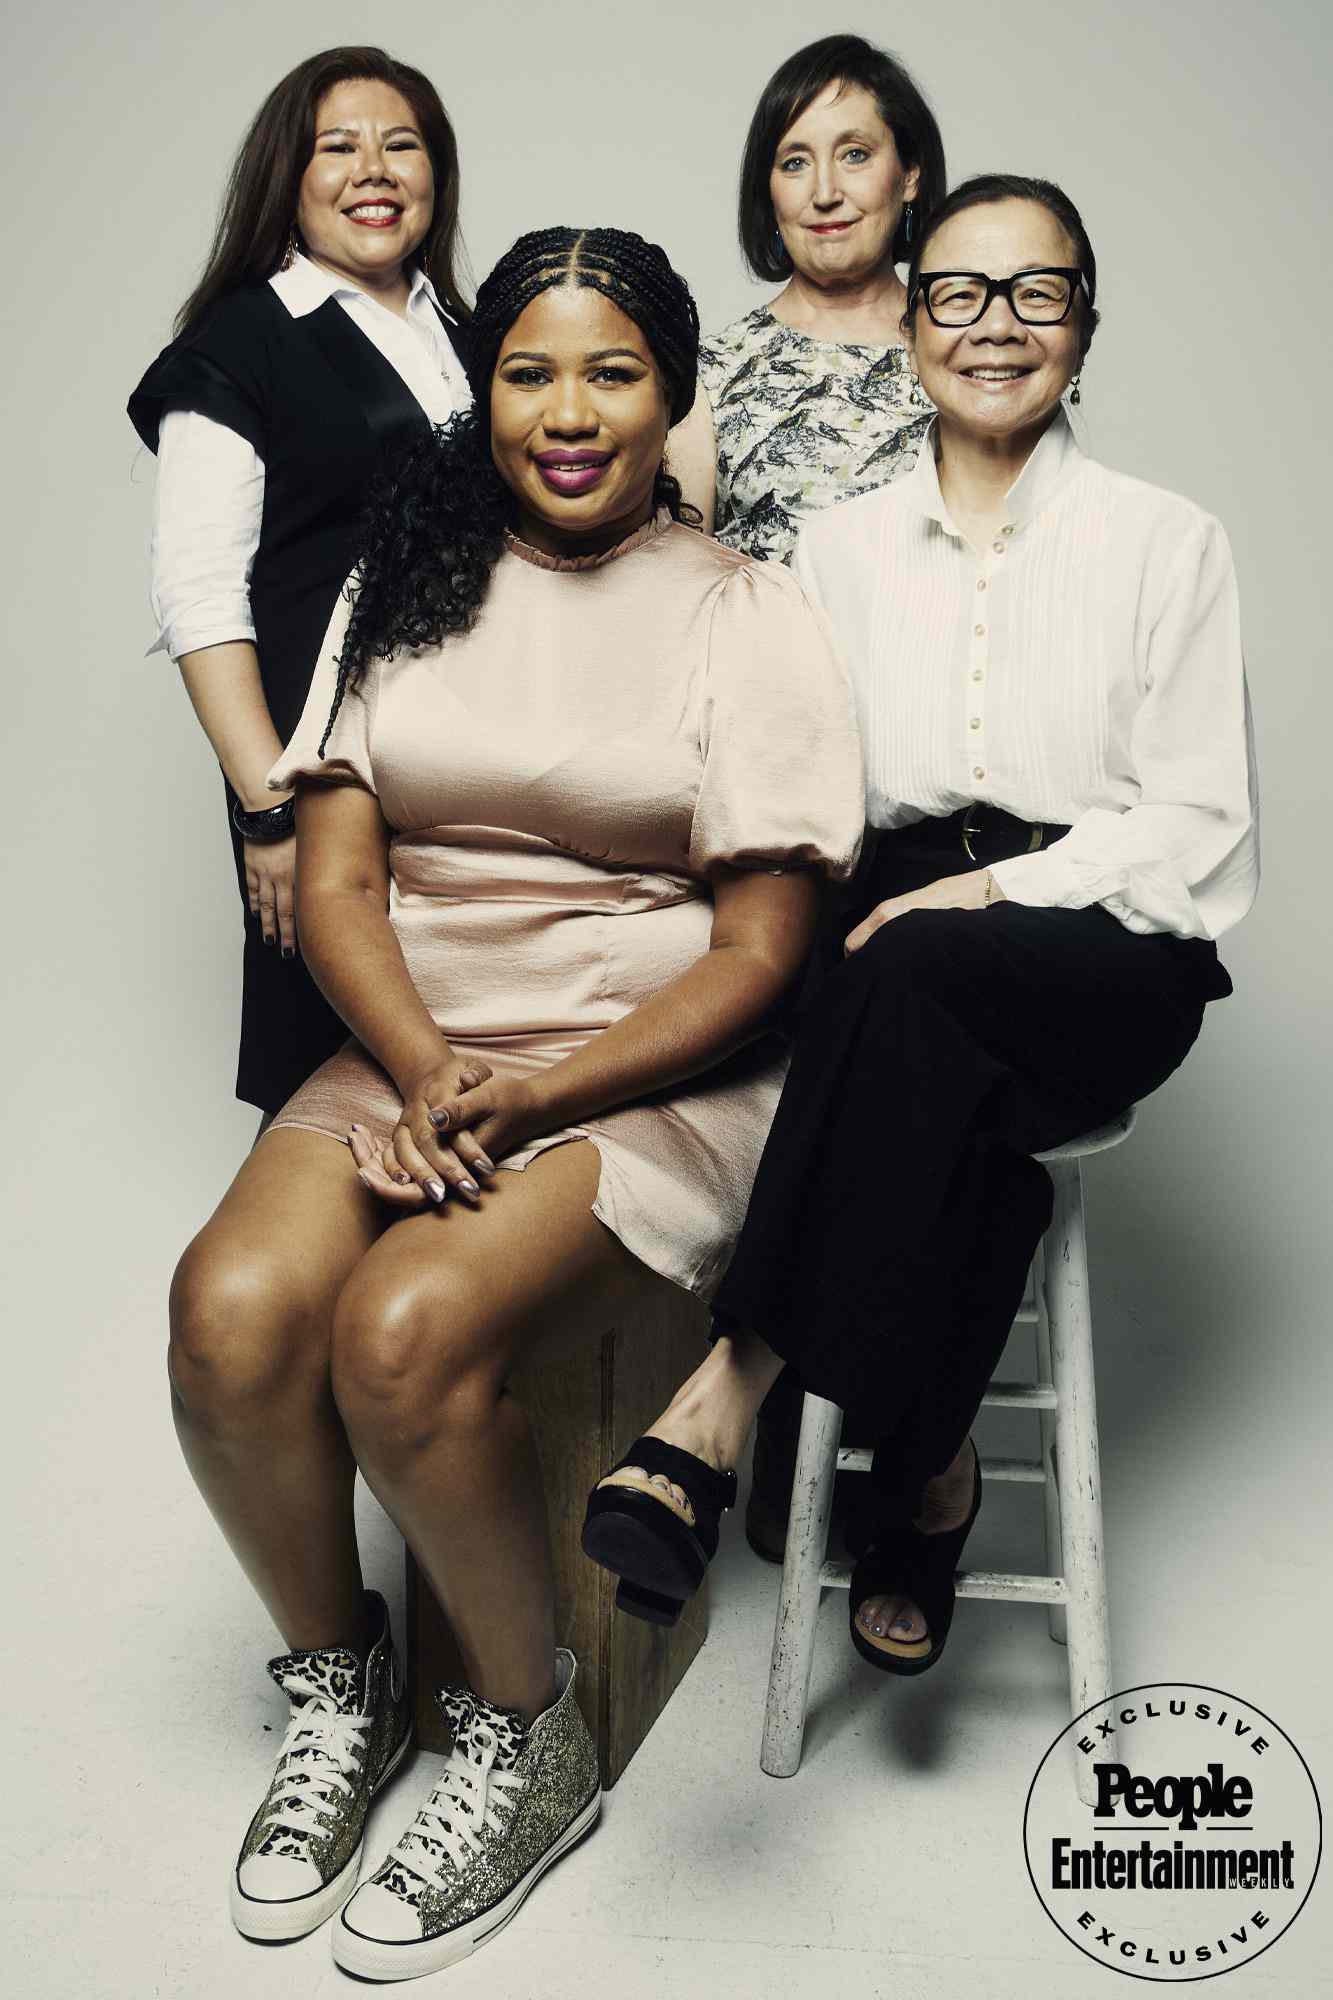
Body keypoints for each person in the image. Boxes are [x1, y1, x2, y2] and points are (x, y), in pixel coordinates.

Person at [167, 225, 862, 1976]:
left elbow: (762, 957)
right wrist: (422, 1073)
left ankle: (519, 1730)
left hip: (650, 1066)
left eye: (611, 372)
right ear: (482, 391)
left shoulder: (743, 610)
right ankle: (342, 1687)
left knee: (401, 1334)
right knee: (231, 1314)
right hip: (422, 1045)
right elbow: (334, 885)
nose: (567, 412)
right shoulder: (401, 582)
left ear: (670, 394)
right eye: (528, 370)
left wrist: (531, 1091)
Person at [583, 177, 1258, 1683]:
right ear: (910, 323)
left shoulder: (1166, 542)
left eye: (1036, 292)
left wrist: (986, 892)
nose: (994, 326)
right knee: (901, 1025)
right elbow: (803, 786)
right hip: (888, 926)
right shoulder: (839, 548)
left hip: (1105, 946)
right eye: (957, 293)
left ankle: (716, 1407)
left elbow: (1200, 833)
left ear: (1085, 318)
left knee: (908, 968)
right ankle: (930, 1466)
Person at [128, 46, 471, 1117]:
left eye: (401, 144)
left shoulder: (465, 329)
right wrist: (265, 812)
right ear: (289, 174)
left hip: (462, 770)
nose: (373, 168)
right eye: (339, 146)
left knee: (467, 1070)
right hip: (323, 785)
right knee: (334, 1082)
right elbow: (199, 593)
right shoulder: (241, 343)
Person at [670, 32, 946, 563]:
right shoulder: (708, 375)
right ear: (768, 191)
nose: (824, 193)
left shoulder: (967, 352)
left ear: (909, 173)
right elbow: (680, 592)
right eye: (795, 162)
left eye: (855, 155)